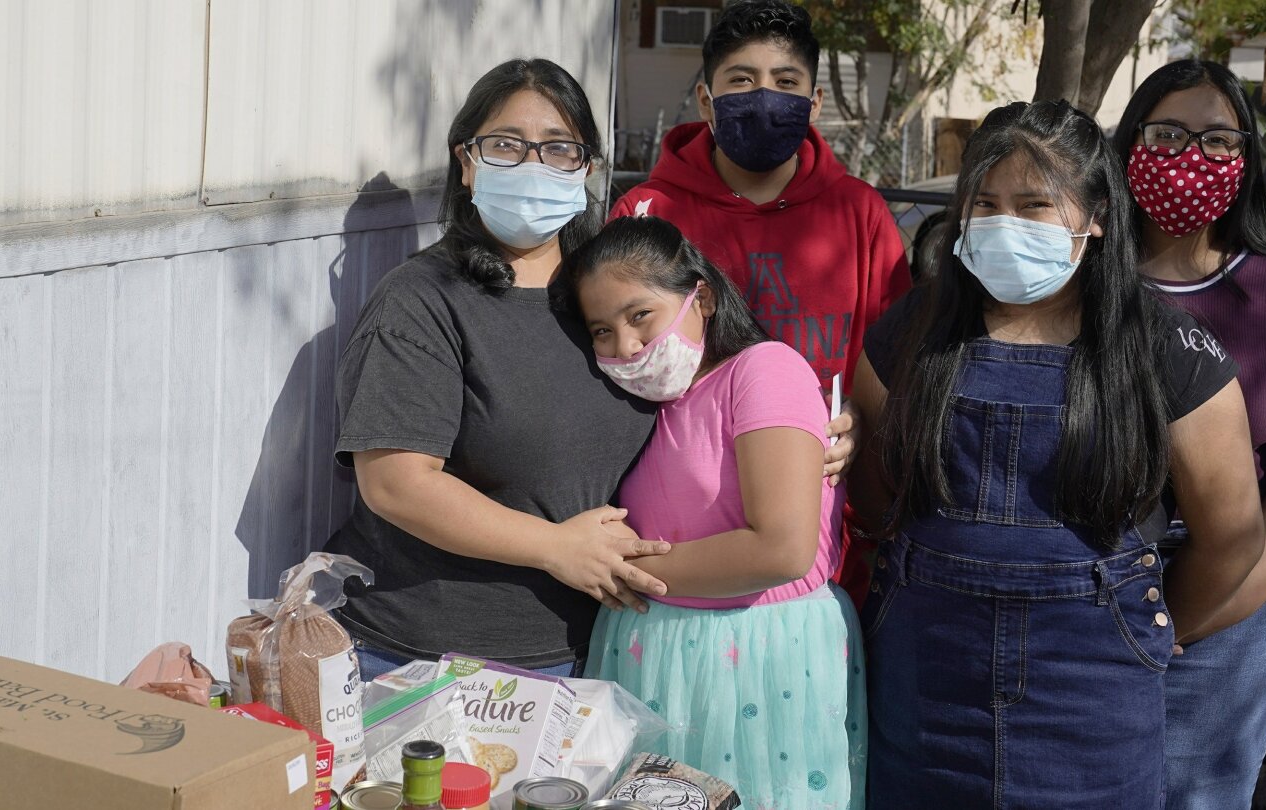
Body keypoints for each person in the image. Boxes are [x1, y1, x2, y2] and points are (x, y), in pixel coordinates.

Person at [326, 58, 854, 681]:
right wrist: (554, 546)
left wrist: (824, 428)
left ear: (587, 170)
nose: (531, 165)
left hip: (601, 649)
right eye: (505, 146)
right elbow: (396, 483)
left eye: (557, 149)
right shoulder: (421, 299)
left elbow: (708, 387)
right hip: (428, 656)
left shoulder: (607, 291)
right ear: (466, 162)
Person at [848, 100, 1265, 806]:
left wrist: (1149, 630)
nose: (1005, 223)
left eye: (1035, 205)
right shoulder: (909, 332)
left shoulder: (1169, 349)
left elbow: (1232, 535)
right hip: (923, 674)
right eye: (986, 203)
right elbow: (873, 483)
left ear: (1096, 214)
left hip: (1095, 695)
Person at [1112, 60, 1266, 809]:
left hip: (1230, 608)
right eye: (1168, 134)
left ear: (1246, 158)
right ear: (1129, 147)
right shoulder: (1081, 284)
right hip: (1089, 584)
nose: (1193, 156)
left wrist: (1196, 613)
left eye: (1219, 140)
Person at [612, 0, 910, 602]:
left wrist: (859, 418)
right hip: (672, 548)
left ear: (815, 102)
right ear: (706, 100)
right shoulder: (648, 214)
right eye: (742, 80)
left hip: (821, 555)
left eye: (786, 82)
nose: (764, 95)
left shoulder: (861, 214)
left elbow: (894, 367)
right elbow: (610, 355)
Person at [574, 216, 866, 810]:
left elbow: (781, 549)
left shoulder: (762, 370)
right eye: (601, 331)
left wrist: (622, 568)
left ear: (699, 296)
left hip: (760, 662)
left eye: (640, 317)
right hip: (648, 659)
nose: (626, 348)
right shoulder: (640, 402)